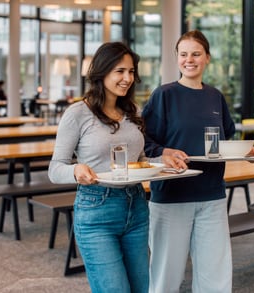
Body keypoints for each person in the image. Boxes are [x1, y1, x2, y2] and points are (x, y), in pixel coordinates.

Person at [48, 42, 184, 293]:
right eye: (120, 71)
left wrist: (162, 160)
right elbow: (55, 168)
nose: (127, 78)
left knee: (143, 288)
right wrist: (76, 170)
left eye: (131, 72)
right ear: (102, 72)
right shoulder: (78, 113)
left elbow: (139, 160)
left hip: (136, 207)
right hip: (96, 211)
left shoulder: (131, 112)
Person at [142, 30, 254, 293]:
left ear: (207, 57)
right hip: (171, 197)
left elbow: (225, 140)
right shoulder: (164, 95)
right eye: (183, 54)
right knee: (166, 276)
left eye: (196, 54)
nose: (189, 59)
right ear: (177, 58)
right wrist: (164, 152)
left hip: (212, 196)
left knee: (215, 275)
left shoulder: (215, 97)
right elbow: (143, 141)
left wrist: (246, 152)